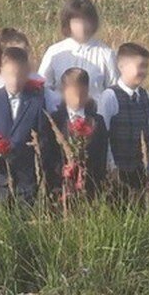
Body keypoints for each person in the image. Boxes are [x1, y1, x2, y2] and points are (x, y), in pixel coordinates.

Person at [0, 47, 54, 203]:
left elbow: (44, 138)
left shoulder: (36, 101)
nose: (15, 80)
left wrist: (37, 156)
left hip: (26, 179)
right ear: (1, 72)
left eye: (20, 75)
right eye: (10, 75)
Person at [98, 42, 149, 203]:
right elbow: (104, 136)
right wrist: (111, 167)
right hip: (116, 171)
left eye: (146, 66)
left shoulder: (146, 97)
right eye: (140, 66)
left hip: (137, 169)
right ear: (122, 66)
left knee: (139, 213)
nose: (143, 71)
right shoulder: (109, 96)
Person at [38, 0, 117, 98]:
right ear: (67, 24)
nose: (82, 26)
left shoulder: (106, 54)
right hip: (60, 112)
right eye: (76, 22)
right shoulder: (55, 52)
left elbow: (114, 91)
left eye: (86, 21)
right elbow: (43, 87)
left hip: (97, 112)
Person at [49, 68, 108, 199]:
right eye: (72, 94)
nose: (77, 99)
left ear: (87, 91)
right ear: (63, 92)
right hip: (61, 189)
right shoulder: (54, 121)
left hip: (91, 190)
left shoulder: (97, 122)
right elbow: (49, 155)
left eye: (81, 94)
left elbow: (101, 157)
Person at [0, 27, 57, 115]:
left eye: (25, 52)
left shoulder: (36, 80)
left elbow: (55, 103)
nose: (21, 58)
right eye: (15, 54)